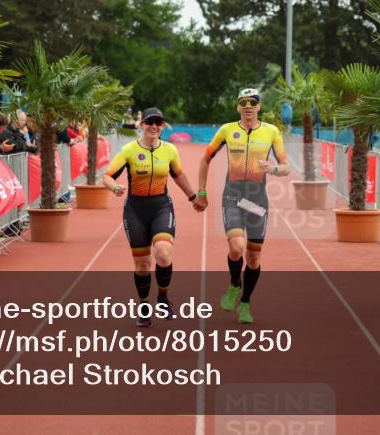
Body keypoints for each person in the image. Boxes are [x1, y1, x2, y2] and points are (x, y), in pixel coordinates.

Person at [195, 88, 289, 324]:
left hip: (258, 200)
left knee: (254, 259)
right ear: (238, 107)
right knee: (237, 247)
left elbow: (286, 166)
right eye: (243, 102)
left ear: (259, 107)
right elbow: (206, 158)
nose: (248, 105)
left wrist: (274, 169)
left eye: (253, 102)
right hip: (233, 197)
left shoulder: (271, 132)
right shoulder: (227, 130)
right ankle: (235, 284)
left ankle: (245, 302)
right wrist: (202, 191)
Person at [102, 107, 200, 328]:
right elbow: (107, 176)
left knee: (163, 253)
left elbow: (178, 175)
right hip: (135, 210)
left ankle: (163, 297)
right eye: (149, 122)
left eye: (158, 123)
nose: (154, 127)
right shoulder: (129, 150)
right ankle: (144, 306)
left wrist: (193, 197)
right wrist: (114, 187)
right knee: (143, 264)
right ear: (142, 125)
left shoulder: (170, 150)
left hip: (161, 207)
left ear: (162, 126)